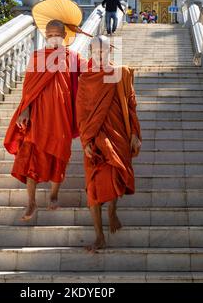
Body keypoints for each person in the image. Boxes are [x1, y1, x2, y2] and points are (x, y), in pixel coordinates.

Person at [4, 19, 86, 221]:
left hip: (62, 116)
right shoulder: (38, 57)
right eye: (49, 35)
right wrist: (24, 110)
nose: (52, 38)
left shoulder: (73, 57)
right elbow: (28, 88)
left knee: (60, 156)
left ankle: (54, 195)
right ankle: (31, 202)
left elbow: (93, 70)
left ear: (64, 36)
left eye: (56, 34)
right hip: (38, 116)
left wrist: (114, 62)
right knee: (31, 158)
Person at [76, 35, 142, 252]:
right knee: (93, 186)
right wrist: (85, 139)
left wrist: (135, 133)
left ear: (110, 51)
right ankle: (99, 236)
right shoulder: (86, 78)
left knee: (115, 176)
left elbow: (131, 105)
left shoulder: (120, 73)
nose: (100, 54)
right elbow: (82, 111)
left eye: (103, 50)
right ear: (90, 53)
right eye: (95, 51)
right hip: (94, 137)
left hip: (118, 134)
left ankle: (112, 209)